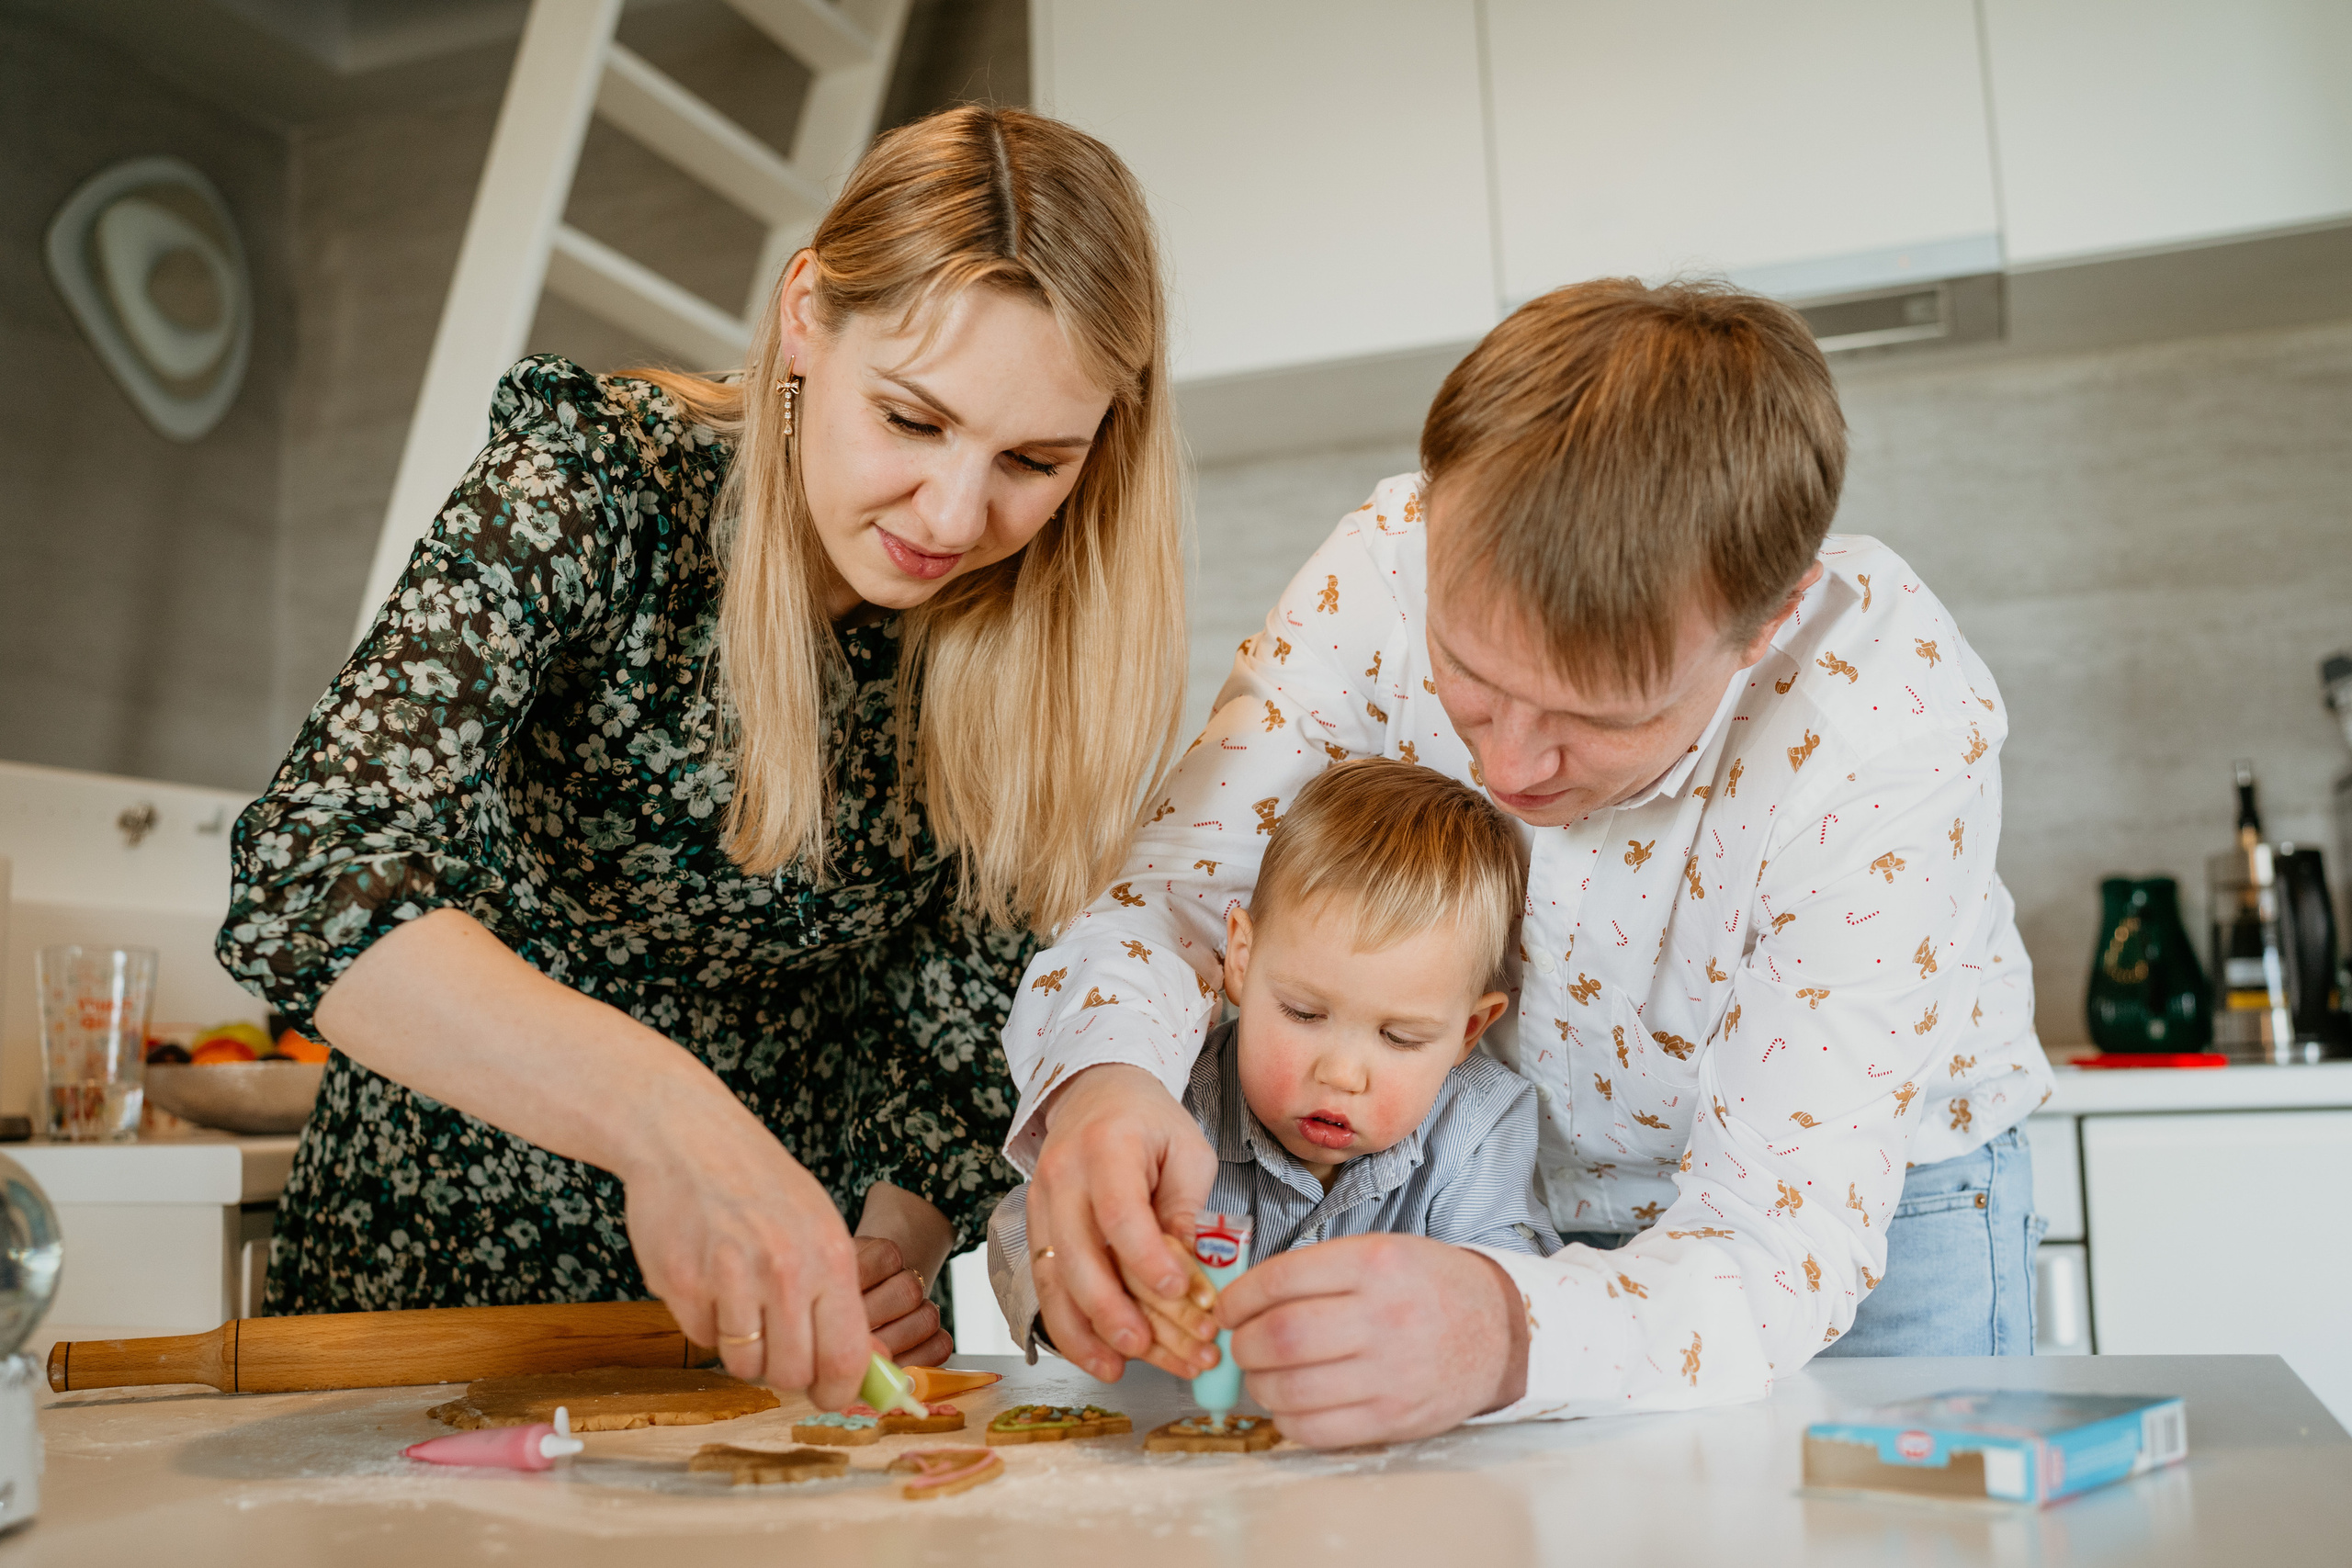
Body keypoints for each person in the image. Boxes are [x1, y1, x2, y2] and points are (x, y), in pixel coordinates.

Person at [213, 107, 1187, 1412]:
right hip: (422, 1299)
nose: (957, 516)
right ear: (805, 318)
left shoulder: (1037, 631)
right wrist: (670, 1120)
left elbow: (953, 1031)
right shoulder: (593, 484)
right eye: (909, 419)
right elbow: (310, 867)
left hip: (767, 1341)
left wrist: (896, 1242)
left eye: (1031, 459)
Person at [1001, 279, 2054, 1446]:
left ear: (1764, 625)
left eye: (1599, 717)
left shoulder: (1884, 723)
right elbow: (1176, 907)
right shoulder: (1378, 572)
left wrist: (1509, 1331)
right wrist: (1103, 1079)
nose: (1505, 767)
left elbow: (1776, 1235)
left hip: (1862, 1234)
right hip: (1511, 1204)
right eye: (1470, 675)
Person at [984, 759, 1559, 1358]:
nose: (1341, 1073)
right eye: (1304, 1014)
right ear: (1241, 958)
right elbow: (1024, 1226)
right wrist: (1094, 1288)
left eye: (1400, 1038)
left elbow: (1510, 1290)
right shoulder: (1168, 1100)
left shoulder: (1479, 1124)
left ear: (1468, 1030)